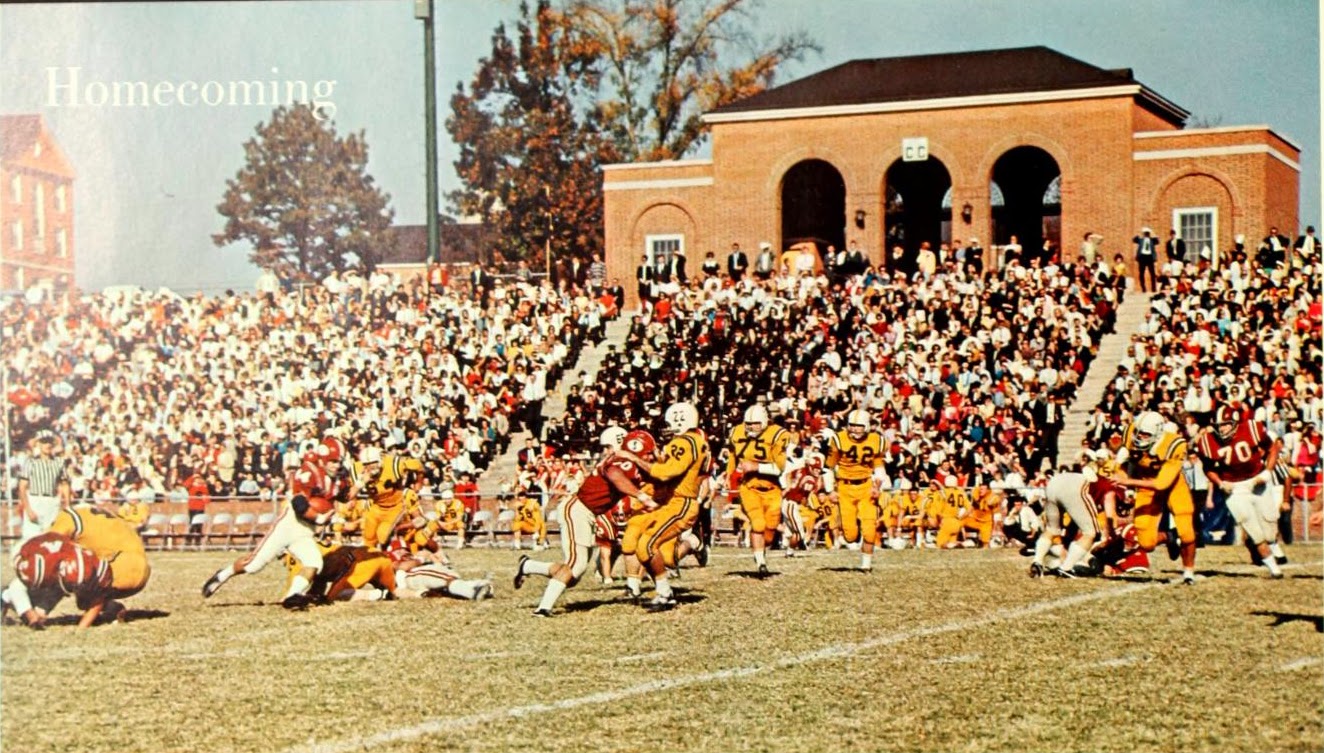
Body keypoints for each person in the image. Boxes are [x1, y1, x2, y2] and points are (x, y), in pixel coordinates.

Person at [515, 426, 654, 616]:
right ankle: (543, 608)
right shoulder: (620, 462)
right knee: (575, 565)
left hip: (585, 512)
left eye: (607, 447)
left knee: (574, 576)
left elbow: (655, 472)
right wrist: (641, 496)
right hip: (578, 509)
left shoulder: (628, 462)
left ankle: (528, 565)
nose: (606, 451)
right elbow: (615, 474)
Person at [202, 437, 343, 609]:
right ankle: (223, 574)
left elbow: (346, 495)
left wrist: (361, 481)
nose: (336, 466)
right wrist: (319, 518)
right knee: (253, 566)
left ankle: (292, 597)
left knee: (314, 563)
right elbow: (299, 505)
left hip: (305, 532)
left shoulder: (336, 480)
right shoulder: (309, 471)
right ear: (323, 459)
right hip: (289, 525)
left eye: (339, 462)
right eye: (333, 461)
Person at [616, 402, 711, 611]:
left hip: (680, 503)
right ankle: (657, 590)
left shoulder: (685, 441)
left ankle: (665, 593)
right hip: (672, 502)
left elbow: (665, 473)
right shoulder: (695, 440)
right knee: (639, 542)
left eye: (670, 423)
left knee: (647, 546)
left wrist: (633, 458)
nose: (667, 429)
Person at [7, 506, 150, 629]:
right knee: (76, 579)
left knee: (75, 579)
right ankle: (112, 608)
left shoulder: (64, 523)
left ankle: (28, 608)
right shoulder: (82, 515)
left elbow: (56, 560)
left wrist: (81, 629)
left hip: (124, 567)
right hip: (140, 565)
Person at [1192, 406, 1287, 578]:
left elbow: (1272, 448)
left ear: (1235, 422)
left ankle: (1271, 545)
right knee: (1252, 528)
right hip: (1234, 487)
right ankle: (1274, 569)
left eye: (1225, 424)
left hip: (1257, 480)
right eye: (1219, 425)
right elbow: (1208, 468)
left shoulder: (1251, 428)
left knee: (1270, 525)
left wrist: (1268, 471)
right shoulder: (1208, 441)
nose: (1222, 429)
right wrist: (1220, 483)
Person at [1110, 411, 1199, 584]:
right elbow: (1123, 465)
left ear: (1158, 433)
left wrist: (1128, 482)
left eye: (1145, 434)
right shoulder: (1129, 433)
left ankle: (1188, 572)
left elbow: (1161, 484)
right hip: (1145, 483)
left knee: (1187, 533)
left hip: (1172, 485)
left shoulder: (1174, 444)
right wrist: (1125, 484)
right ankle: (1169, 536)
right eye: (1138, 433)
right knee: (1146, 543)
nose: (1139, 437)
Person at [1030, 458, 1124, 578]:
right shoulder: (1109, 487)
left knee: (1052, 529)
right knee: (1090, 533)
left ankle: (1037, 561)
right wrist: (1113, 534)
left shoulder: (1091, 476)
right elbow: (1110, 516)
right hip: (1076, 488)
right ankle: (1066, 568)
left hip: (1055, 483)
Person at [726, 404, 790, 575]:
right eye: (748, 423)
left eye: (755, 423)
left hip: (772, 488)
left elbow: (780, 468)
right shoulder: (737, 432)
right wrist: (728, 474)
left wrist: (756, 466)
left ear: (764, 422)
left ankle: (761, 550)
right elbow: (732, 455)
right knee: (757, 523)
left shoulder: (777, 435)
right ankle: (760, 562)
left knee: (770, 530)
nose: (751, 427)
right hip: (750, 486)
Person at [825, 409, 884, 571]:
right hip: (845, 488)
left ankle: (866, 565)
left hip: (866, 486)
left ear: (866, 426)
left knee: (870, 529)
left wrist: (877, 486)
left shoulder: (876, 440)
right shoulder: (839, 439)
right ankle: (855, 529)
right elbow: (828, 467)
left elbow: (879, 466)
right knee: (850, 536)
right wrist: (830, 490)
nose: (855, 429)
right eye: (852, 425)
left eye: (859, 426)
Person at [352, 446, 424, 552]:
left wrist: (419, 482)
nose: (370, 467)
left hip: (395, 508)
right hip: (377, 506)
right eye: (366, 464)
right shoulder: (358, 470)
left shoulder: (394, 465)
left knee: (384, 534)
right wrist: (359, 483)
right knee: (368, 537)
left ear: (380, 460)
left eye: (373, 463)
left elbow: (418, 465)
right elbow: (349, 495)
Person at [15, 431, 71, 548]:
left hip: (52, 502)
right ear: (39, 444)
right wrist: (28, 509)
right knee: (31, 539)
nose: (47, 445)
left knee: (52, 540)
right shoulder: (31, 462)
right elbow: (22, 487)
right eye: (44, 442)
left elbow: (65, 484)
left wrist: (67, 505)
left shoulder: (59, 462)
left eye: (49, 442)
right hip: (35, 500)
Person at [1132, 227, 1158, 292]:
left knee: (1152, 273)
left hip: (1149, 256)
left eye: (1147, 233)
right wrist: (1139, 233)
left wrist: (1153, 233)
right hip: (1142, 256)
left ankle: (1153, 288)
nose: (1146, 234)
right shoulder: (1141, 240)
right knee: (1141, 273)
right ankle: (1143, 288)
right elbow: (1134, 240)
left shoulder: (1152, 240)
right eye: (1145, 233)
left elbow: (1157, 241)